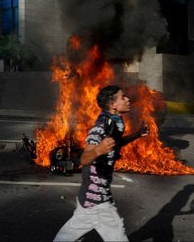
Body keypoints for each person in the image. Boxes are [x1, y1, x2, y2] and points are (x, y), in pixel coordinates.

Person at [53, 85, 149, 242]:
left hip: (93, 197)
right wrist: (98, 150)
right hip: (97, 201)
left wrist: (137, 134)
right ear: (113, 105)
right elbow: (84, 159)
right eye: (122, 97)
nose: (127, 99)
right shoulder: (101, 128)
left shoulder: (115, 123)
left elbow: (116, 143)